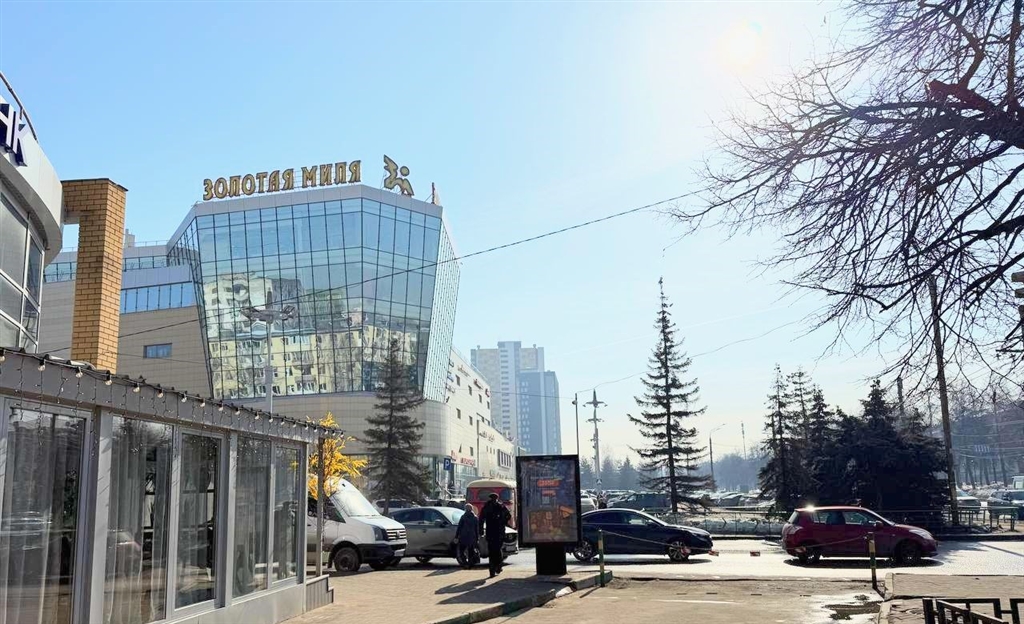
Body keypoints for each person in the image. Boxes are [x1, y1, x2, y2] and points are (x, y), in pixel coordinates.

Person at [479, 493, 511, 578]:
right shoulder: (501, 506)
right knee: (498, 550)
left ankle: (492, 570)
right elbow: (508, 516)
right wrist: (502, 522)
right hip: (499, 532)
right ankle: (498, 566)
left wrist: (481, 531)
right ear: (497, 498)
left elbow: (481, 519)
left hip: (491, 532)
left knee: (492, 551)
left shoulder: (487, 507)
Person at [455, 503, 480, 569]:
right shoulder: (475, 518)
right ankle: (470, 564)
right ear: (472, 509)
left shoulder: (463, 517)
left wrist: (456, 536)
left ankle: (465, 562)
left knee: (461, 551)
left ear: (465, 509)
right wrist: (477, 538)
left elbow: (459, 527)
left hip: (463, 537)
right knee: (471, 551)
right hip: (472, 537)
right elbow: (477, 529)